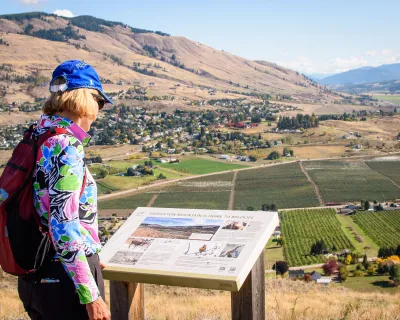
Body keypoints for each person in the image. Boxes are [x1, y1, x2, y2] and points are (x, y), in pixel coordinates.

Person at [17, 60, 112, 320]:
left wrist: (93, 249)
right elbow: (63, 225)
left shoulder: (37, 135)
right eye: (100, 102)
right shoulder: (64, 147)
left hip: (35, 273)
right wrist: (90, 295)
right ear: (86, 100)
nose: (98, 112)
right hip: (65, 282)